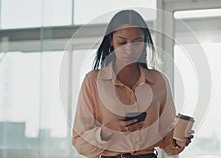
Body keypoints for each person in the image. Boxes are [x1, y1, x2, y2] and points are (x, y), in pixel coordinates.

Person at [72, 9, 194, 158]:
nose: (129, 49)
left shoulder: (159, 81)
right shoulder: (93, 81)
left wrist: (179, 140)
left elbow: (166, 141)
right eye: (122, 42)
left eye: (137, 42)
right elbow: (80, 143)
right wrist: (107, 130)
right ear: (111, 41)